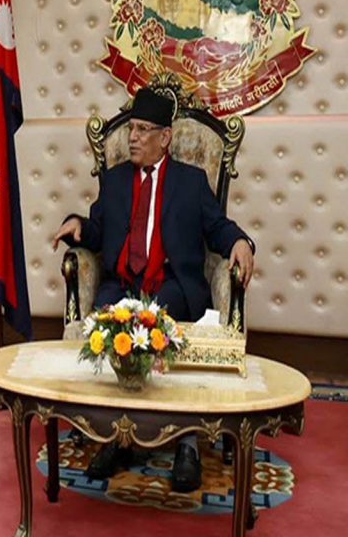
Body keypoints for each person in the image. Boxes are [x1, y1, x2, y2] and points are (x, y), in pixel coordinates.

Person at [52, 88, 254, 492]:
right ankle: (117, 437)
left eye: (143, 130)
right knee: (107, 320)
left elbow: (217, 227)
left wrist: (240, 242)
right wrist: (78, 226)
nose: (133, 138)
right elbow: (98, 229)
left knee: (158, 322)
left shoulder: (191, 182)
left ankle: (186, 445)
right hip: (123, 284)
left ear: (165, 137)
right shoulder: (115, 180)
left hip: (171, 285)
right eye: (131, 129)